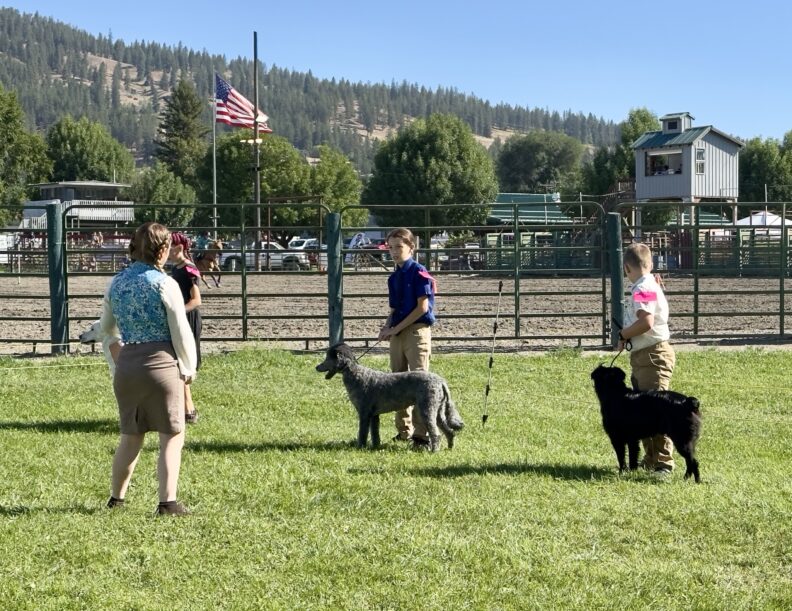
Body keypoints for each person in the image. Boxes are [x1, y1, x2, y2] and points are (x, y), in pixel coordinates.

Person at [100, 222, 197, 516]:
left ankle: (117, 499)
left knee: (131, 435)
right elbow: (180, 331)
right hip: (161, 364)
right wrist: (188, 367)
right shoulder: (165, 283)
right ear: (164, 249)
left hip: (127, 365)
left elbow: (107, 327)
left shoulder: (116, 283)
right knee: (172, 434)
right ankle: (167, 503)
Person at [617, 242, 676, 475]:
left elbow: (646, 322)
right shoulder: (648, 283)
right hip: (647, 355)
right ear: (650, 264)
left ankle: (663, 463)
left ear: (626, 268)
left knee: (655, 410)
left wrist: (622, 334)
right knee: (645, 410)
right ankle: (651, 459)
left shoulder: (642, 287)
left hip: (652, 355)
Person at [378, 228, 436, 448]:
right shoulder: (393, 277)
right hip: (398, 333)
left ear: (411, 247)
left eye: (399, 247)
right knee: (397, 381)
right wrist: (386, 328)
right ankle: (404, 431)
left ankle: (422, 435)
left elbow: (422, 308)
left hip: (416, 332)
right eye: (390, 248)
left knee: (421, 383)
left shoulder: (419, 272)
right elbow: (394, 309)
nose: (394, 252)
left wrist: (396, 329)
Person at [169, 232, 202, 424]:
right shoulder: (176, 268)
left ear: (179, 248)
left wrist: (178, 312)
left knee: (184, 361)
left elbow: (196, 300)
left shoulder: (189, 270)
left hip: (188, 319)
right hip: (180, 318)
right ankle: (185, 407)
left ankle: (188, 408)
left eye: (170, 247)